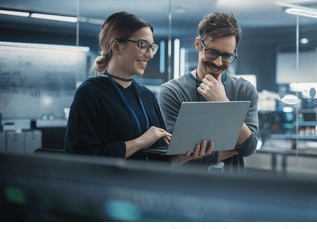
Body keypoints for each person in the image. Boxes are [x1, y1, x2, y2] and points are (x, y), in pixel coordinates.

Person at [64, 11, 212, 164]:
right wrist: (140, 142)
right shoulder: (90, 93)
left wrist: (182, 157)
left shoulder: (146, 96)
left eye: (151, 47)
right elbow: (79, 158)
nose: (150, 55)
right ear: (116, 46)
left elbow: (159, 161)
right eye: (142, 45)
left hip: (147, 186)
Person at [158, 12, 260, 172]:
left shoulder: (245, 90)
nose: (218, 62)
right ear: (198, 44)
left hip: (230, 190)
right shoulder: (172, 91)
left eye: (226, 56)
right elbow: (175, 153)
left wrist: (223, 103)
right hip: (188, 188)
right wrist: (233, 147)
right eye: (212, 52)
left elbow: (248, 147)